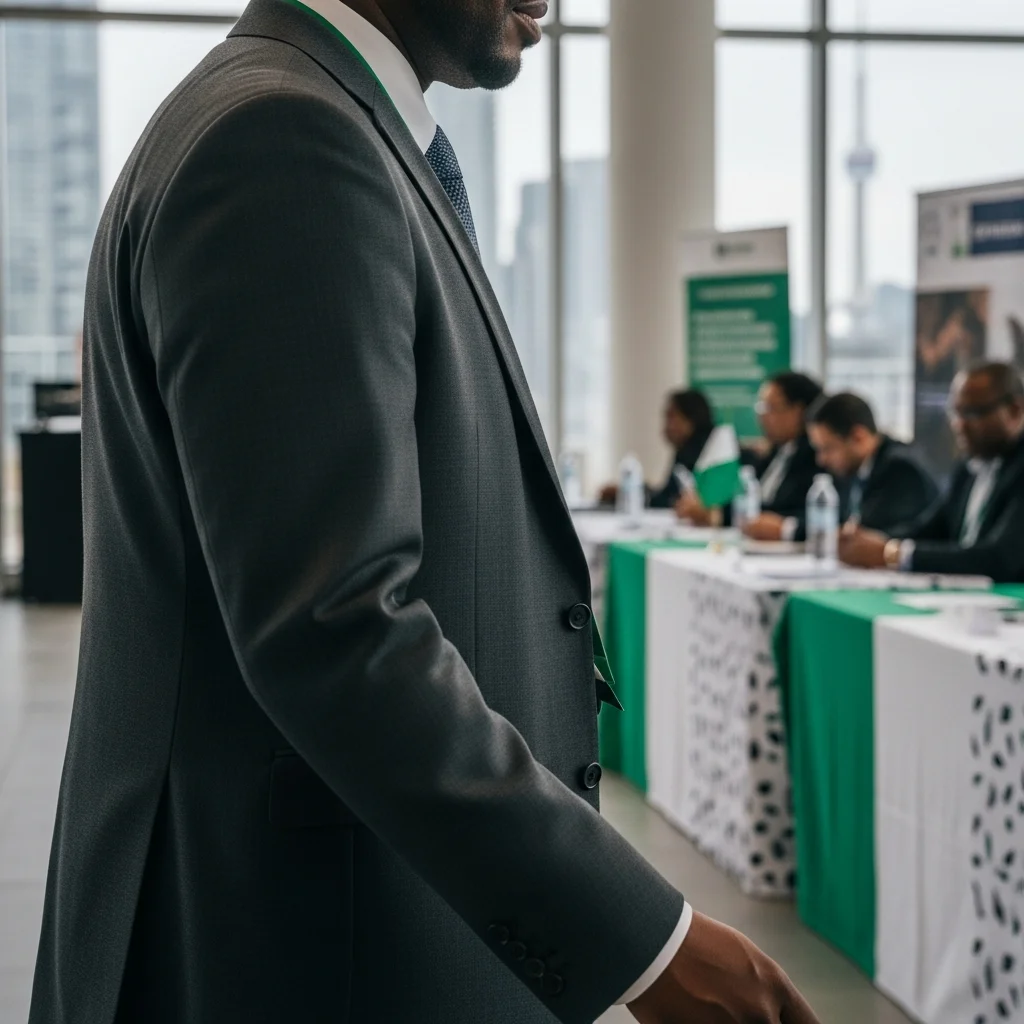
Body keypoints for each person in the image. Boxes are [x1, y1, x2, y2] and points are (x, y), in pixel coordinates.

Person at [29, 2, 820, 1024]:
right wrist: (648, 944)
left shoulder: (305, 118)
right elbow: (336, 629)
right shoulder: (286, 140)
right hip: (299, 952)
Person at [840, 362, 1024, 582]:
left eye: (972, 413)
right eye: (955, 413)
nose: (959, 425)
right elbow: (933, 529)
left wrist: (894, 555)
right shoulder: (970, 467)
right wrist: (870, 543)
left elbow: (1001, 559)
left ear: (1015, 410)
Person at [678, 371, 822, 539]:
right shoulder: (776, 453)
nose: (761, 416)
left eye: (769, 408)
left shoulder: (815, 457)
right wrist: (713, 512)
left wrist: (785, 528)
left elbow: (783, 510)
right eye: (760, 408)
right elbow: (750, 500)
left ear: (797, 412)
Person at [807, 392, 938, 534]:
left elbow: (874, 533)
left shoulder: (900, 469)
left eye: (828, 449)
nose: (821, 460)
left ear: (858, 437)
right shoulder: (857, 472)